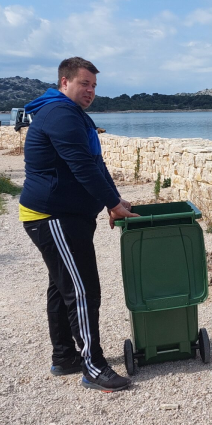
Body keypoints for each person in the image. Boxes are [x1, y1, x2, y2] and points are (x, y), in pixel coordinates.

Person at [20, 57, 138, 392]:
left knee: (62, 286)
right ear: (64, 82)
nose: (90, 91)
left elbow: (94, 163)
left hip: (63, 215)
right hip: (53, 216)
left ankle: (65, 356)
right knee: (83, 290)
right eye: (84, 84)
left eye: (94, 86)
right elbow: (81, 167)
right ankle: (93, 366)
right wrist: (112, 204)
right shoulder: (60, 114)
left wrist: (115, 200)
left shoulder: (71, 113)